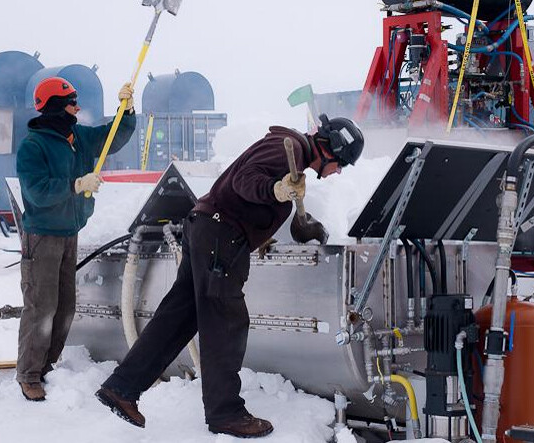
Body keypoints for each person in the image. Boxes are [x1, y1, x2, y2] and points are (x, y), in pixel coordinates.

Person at [96, 114, 364, 437]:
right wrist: (276, 189)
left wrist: (274, 224)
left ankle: (122, 388)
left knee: (178, 318)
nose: (337, 173)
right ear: (331, 149)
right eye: (342, 165)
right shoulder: (287, 147)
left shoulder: (293, 155)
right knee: (226, 322)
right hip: (221, 236)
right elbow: (245, 182)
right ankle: (225, 413)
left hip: (208, 229)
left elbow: (252, 195)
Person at [16, 77, 137, 401]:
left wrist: (126, 111)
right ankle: (29, 374)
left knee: (65, 308)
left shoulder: (78, 137)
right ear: (56, 106)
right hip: (42, 236)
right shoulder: (34, 147)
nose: (78, 107)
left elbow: (112, 138)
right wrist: (75, 185)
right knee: (41, 308)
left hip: (70, 231)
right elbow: (37, 192)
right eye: (72, 102)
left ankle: (46, 368)